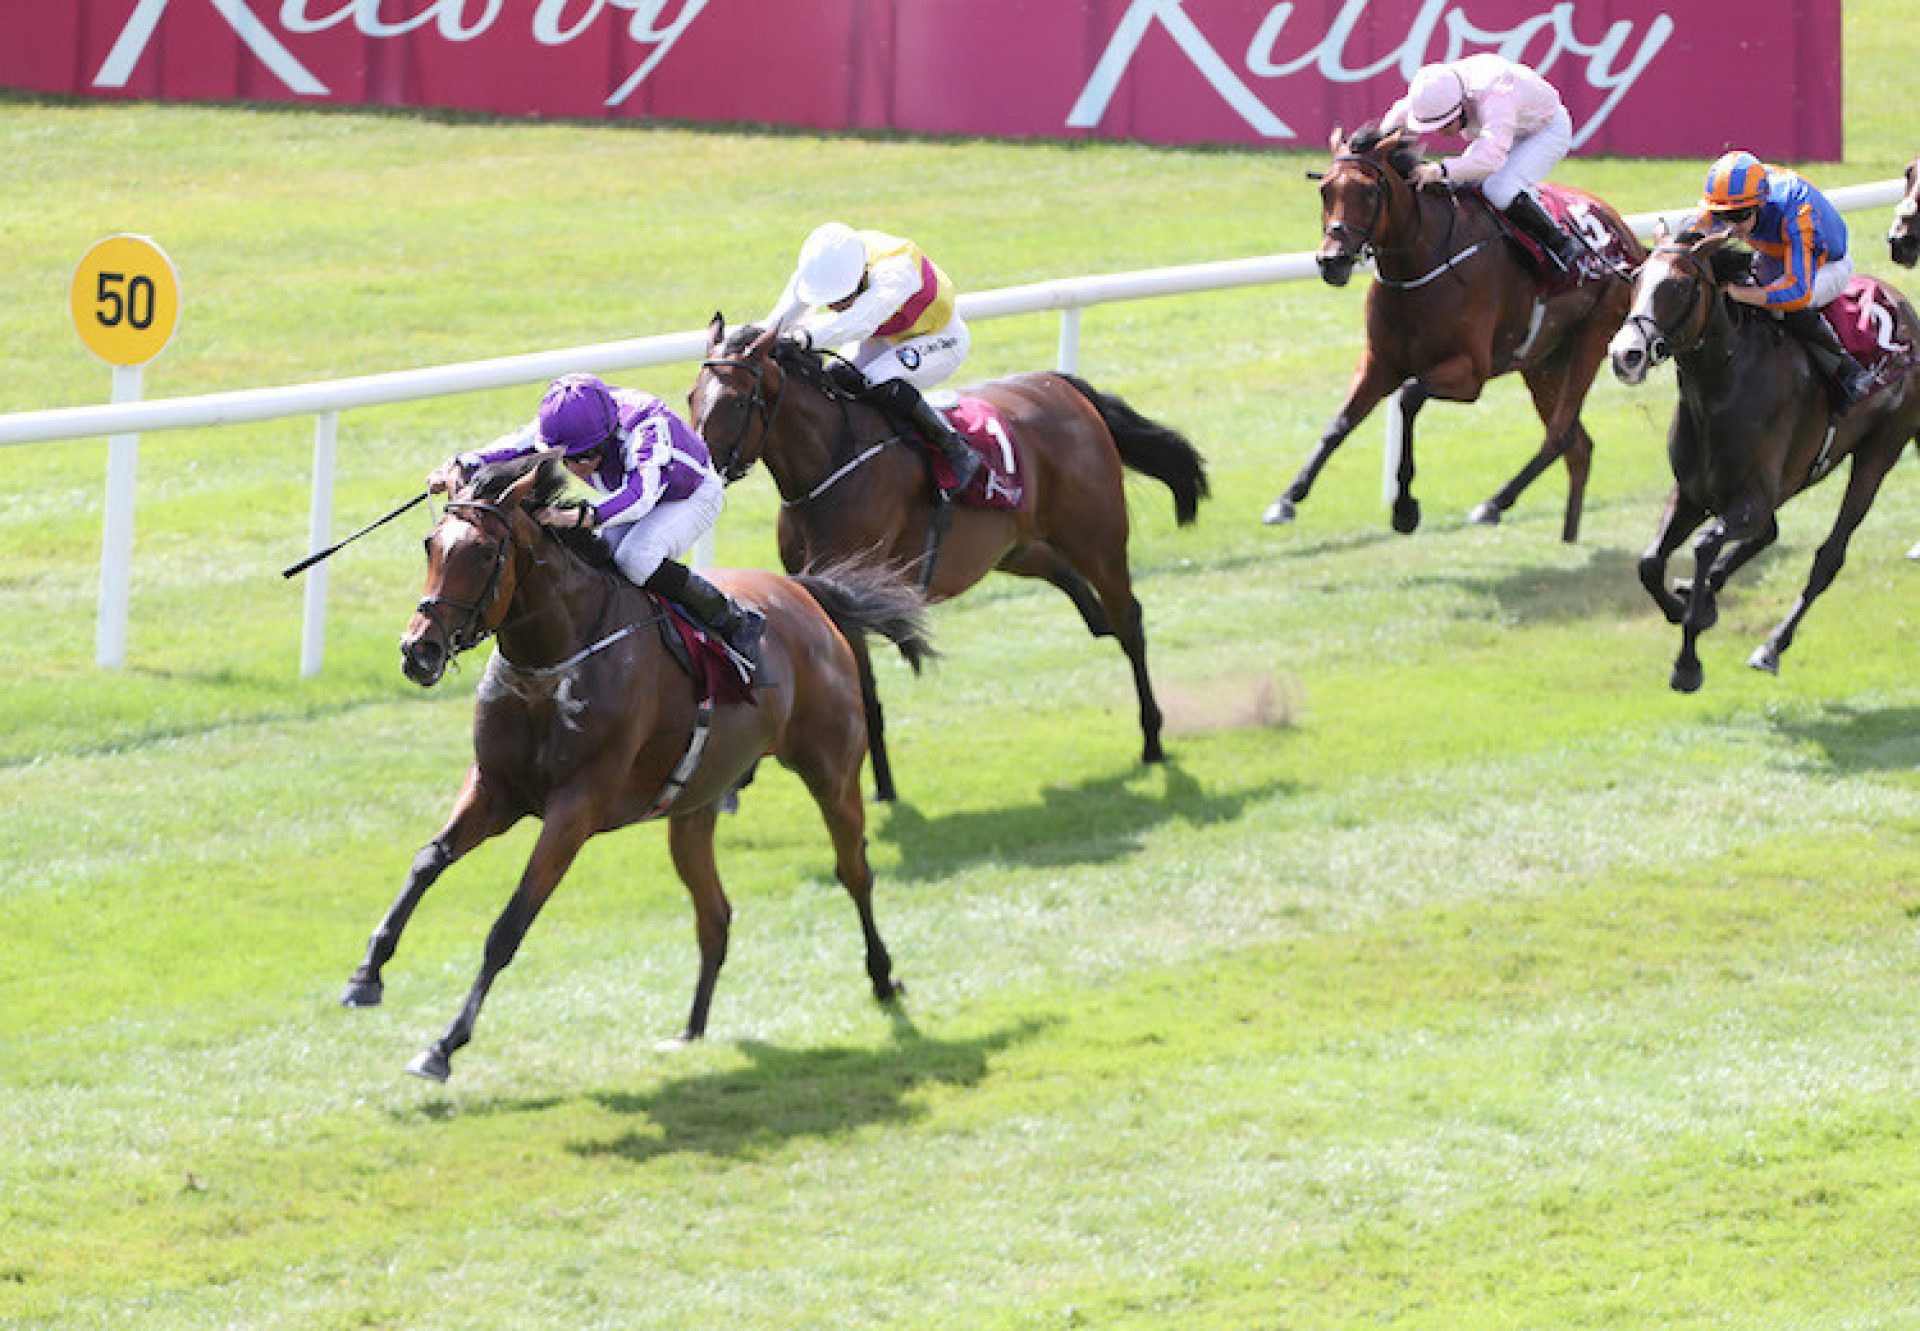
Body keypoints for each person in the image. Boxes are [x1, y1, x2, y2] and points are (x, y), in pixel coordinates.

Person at [428, 373, 764, 666]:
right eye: (567, 460)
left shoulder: (647, 426)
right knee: (595, 562)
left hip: (687, 496)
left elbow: (641, 496)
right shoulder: (568, 423)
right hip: (629, 494)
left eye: (585, 457)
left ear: (607, 436)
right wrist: (459, 464)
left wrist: (577, 516)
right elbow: (514, 447)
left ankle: (732, 618)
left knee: (636, 559)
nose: (577, 469)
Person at [763, 222, 981, 499]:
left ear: (860, 276)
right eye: (829, 301)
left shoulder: (896, 270)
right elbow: (785, 312)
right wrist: (755, 341)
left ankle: (955, 448)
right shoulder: (827, 263)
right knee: (835, 378)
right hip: (887, 336)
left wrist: (803, 338)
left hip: (940, 339)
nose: (833, 307)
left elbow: (860, 321)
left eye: (840, 299)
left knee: (877, 378)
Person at [1698, 149, 1872, 412]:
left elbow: (1796, 291)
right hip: (1774, 251)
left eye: (1740, 216)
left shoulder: (1796, 213)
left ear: (1759, 204)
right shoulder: (1724, 203)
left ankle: (1846, 370)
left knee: (1781, 306)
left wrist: (1739, 293)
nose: (1731, 226)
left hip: (1827, 263)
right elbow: (1691, 241)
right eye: (1724, 217)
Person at [1381, 54, 1586, 273]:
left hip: (1544, 130)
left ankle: (1561, 243)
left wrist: (1440, 169)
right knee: (1461, 188)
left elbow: (1491, 158)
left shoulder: (1496, 94)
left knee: (1499, 189)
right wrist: (1376, 144)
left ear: (1463, 106)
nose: (1439, 133)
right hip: (1504, 128)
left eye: (1445, 125)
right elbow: (1398, 116)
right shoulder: (1435, 89)